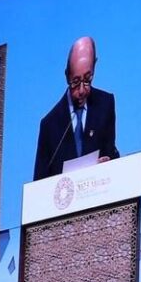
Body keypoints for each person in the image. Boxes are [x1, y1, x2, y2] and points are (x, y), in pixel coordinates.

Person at [32, 36, 120, 180]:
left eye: (87, 80)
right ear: (67, 75)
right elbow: (39, 182)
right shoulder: (49, 125)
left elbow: (111, 153)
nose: (82, 90)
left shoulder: (105, 104)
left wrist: (109, 162)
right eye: (76, 82)